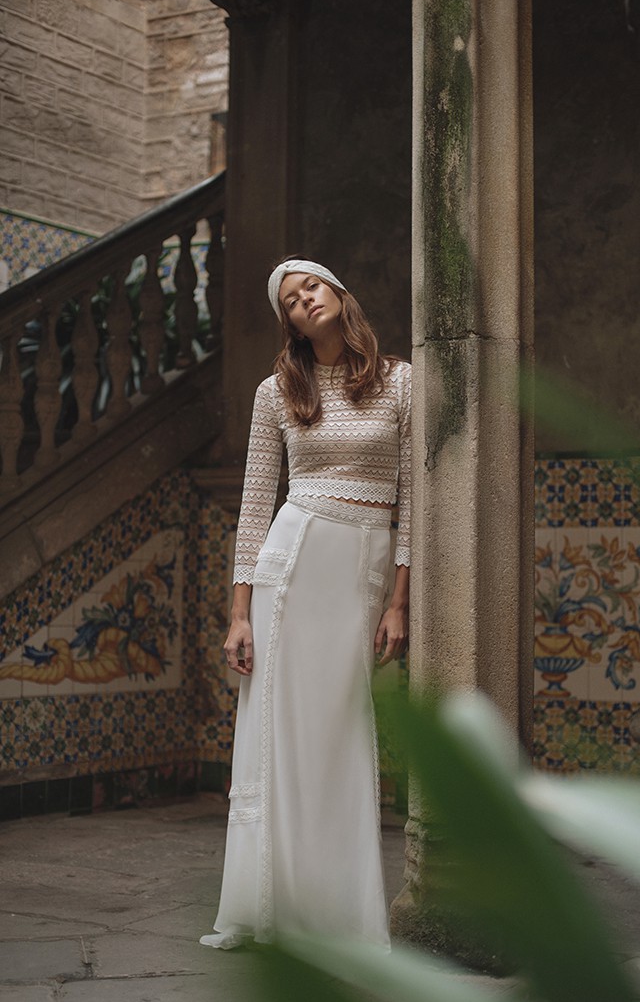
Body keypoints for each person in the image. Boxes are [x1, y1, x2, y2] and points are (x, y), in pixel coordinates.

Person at [200, 257, 411, 951]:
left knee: (342, 736)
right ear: (288, 321)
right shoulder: (275, 391)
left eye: (310, 287)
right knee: (272, 735)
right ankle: (263, 907)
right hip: (288, 569)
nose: (303, 302)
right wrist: (239, 612)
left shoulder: (400, 381)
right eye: (289, 301)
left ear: (339, 292)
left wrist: (397, 601)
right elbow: (256, 504)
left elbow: (413, 503)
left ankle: (344, 918)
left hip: (359, 565)